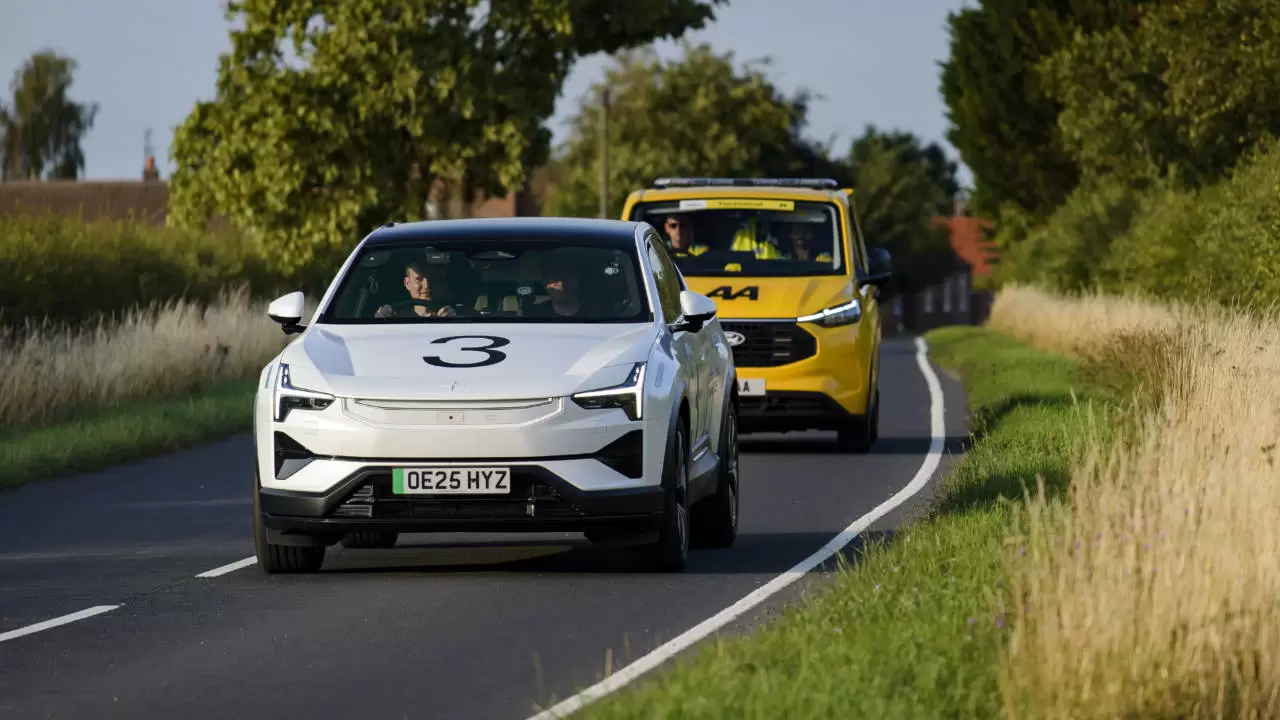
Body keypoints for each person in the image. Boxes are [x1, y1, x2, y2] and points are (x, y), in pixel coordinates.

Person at [374, 260, 457, 318]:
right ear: (407, 283)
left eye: (431, 278)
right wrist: (381, 320)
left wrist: (453, 322)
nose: (426, 285)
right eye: (419, 279)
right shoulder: (395, 318)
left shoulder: (452, 314)